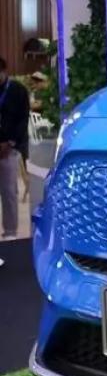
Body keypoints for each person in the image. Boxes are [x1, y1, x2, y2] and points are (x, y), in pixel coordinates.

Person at [0, 56, 30, 240]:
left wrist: (10, 142)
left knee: (9, 191)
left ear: (4, 71)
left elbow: (23, 119)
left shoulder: (18, 91)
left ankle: (10, 232)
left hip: (9, 148)